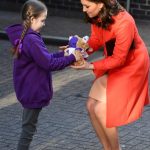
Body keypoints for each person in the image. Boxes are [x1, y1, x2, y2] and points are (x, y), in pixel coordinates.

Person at [71, 0, 149, 150]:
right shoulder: (97, 15)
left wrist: (89, 66)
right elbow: (96, 39)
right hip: (115, 61)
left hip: (133, 65)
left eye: (87, 6)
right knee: (91, 106)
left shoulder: (124, 22)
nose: (83, 9)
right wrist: (80, 49)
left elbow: (119, 59)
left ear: (100, 4)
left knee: (101, 110)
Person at [5, 0, 82, 149]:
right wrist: (72, 58)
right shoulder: (32, 40)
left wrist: (63, 55)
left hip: (28, 90)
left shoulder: (26, 35)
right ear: (32, 19)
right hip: (32, 91)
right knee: (28, 130)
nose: (44, 24)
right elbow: (48, 64)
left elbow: (44, 59)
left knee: (29, 128)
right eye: (43, 20)